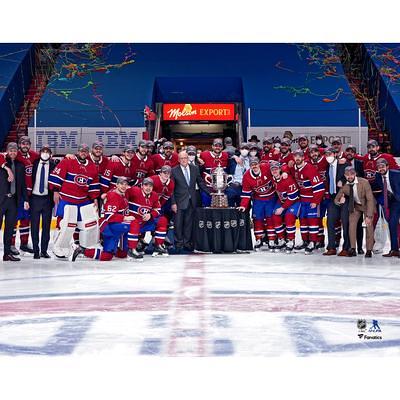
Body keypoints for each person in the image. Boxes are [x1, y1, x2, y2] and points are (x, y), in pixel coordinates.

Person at [49, 143, 100, 258]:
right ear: (78, 151)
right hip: (66, 198)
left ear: (88, 153)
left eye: (85, 151)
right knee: (65, 223)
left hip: (82, 200)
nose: (83, 153)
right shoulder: (68, 161)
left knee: (88, 223)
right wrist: (56, 190)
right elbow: (56, 176)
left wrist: (94, 198)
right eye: (81, 151)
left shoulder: (92, 167)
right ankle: (58, 247)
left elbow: (93, 184)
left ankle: (83, 247)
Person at [72, 177, 134, 262]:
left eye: (125, 184)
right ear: (116, 185)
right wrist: (125, 218)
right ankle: (82, 250)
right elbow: (109, 217)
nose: (123, 186)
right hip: (108, 226)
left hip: (116, 224)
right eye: (121, 184)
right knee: (107, 256)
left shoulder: (121, 193)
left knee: (122, 254)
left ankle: (113, 247)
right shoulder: (113, 196)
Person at [171, 151, 210, 252]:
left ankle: (187, 243)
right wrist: (173, 203)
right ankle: (178, 244)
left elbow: (200, 182)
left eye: (185, 158)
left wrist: (210, 192)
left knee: (189, 224)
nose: (184, 160)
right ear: (178, 160)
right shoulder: (174, 171)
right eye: (182, 158)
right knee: (178, 224)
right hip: (179, 202)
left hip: (192, 200)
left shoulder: (195, 168)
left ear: (188, 159)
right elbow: (171, 189)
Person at [335, 166, 376, 258]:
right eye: (348, 175)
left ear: (355, 174)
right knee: (351, 225)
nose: (350, 176)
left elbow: (370, 200)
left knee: (369, 226)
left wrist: (369, 216)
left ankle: (369, 250)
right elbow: (336, 199)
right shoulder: (345, 186)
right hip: (356, 207)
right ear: (345, 176)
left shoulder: (364, 182)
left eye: (352, 174)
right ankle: (353, 249)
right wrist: (339, 201)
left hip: (367, 206)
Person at [289, 149, 325, 254]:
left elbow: (320, 187)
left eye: (299, 156)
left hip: (311, 199)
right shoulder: (294, 168)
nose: (297, 158)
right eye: (295, 156)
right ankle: (305, 241)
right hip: (301, 199)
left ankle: (313, 242)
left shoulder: (310, 168)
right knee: (303, 221)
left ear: (304, 157)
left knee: (312, 221)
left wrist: (315, 201)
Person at [237, 157, 277, 251]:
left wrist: (284, 172)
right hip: (258, 199)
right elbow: (246, 193)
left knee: (270, 218)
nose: (254, 166)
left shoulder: (266, 167)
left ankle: (271, 239)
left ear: (259, 163)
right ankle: (259, 239)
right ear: (249, 166)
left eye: (256, 164)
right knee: (257, 219)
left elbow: (279, 167)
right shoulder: (246, 176)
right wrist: (243, 205)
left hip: (271, 197)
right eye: (252, 164)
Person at [0, 142, 29, 261]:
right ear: (6, 151)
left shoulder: (20, 165)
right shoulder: (2, 162)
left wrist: (26, 200)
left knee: (9, 228)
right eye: (10, 150)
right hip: (1, 200)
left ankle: (7, 253)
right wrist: (7, 168)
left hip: (13, 201)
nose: (13, 152)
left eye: (15, 150)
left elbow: (22, 185)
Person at [126, 177, 165, 259]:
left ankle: (158, 245)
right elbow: (121, 192)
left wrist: (150, 215)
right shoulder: (134, 191)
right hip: (132, 222)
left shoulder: (154, 195)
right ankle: (132, 249)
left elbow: (158, 210)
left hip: (144, 223)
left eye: (150, 186)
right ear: (142, 186)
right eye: (146, 185)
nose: (148, 188)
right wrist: (107, 195)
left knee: (162, 220)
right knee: (135, 223)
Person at [12, 135, 39, 254]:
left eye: (27, 144)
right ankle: (11, 244)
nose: (25, 146)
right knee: (13, 220)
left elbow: (47, 157)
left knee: (25, 220)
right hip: (16, 194)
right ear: (19, 145)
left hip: (29, 195)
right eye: (23, 144)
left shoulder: (33, 155)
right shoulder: (14, 154)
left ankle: (24, 244)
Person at [30, 145, 56, 259]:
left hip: (47, 199)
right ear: (40, 153)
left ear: (50, 154)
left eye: (47, 152)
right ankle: (36, 250)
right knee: (34, 226)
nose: (45, 153)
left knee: (46, 226)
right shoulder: (34, 164)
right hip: (35, 199)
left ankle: (44, 250)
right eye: (43, 151)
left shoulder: (54, 165)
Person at [322, 148, 349, 256]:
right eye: (326, 154)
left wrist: (342, 181)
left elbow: (351, 178)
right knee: (330, 222)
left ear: (335, 154)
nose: (328, 156)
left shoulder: (344, 164)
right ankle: (331, 247)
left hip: (344, 197)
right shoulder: (327, 166)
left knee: (345, 222)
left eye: (330, 154)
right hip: (333, 198)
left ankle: (346, 248)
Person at [270, 161, 300, 253]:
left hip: (294, 201)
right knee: (275, 215)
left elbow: (293, 197)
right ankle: (281, 239)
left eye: (276, 169)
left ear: (280, 170)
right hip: (283, 201)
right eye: (272, 169)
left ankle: (291, 240)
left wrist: (282, 208)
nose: (274, 171)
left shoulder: (288, 179)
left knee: (289, 217)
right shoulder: (273, 179)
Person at [374, 158, 400, 257]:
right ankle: (394, 250)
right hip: (394, 202)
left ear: (387, 166)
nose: (381, 169)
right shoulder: (377, 176)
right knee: (392, 224)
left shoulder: (396, 173)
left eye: (382, 166)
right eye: (379, 167)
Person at [198, 138, 229, 206]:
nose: (217, 147)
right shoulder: (204, 155)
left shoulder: (225, 155)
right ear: (212, 146)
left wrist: (235, 157)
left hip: (222, 189)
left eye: (220, 146)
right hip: (207, 188)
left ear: (222, 147)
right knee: (206, 208)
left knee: (222, 208)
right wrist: (197, 158)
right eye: (215, 145)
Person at [226, 142, 251, 207]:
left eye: (246, 148)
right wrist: (234, 156)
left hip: (246, 188)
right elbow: (225, 153)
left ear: (249, 150)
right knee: (231, 208)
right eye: (242, 148)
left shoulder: (252, 160)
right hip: (234, 186)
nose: (244, 150)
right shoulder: (233, 160)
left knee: (244, 208)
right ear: (239, 149)